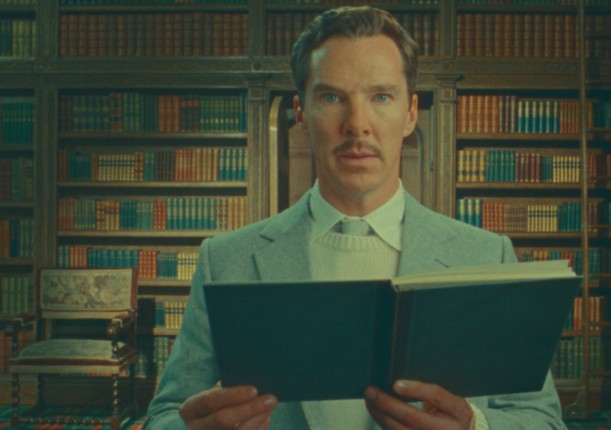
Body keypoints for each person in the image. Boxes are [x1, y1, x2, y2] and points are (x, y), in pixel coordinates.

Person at [144, 6, 567, 430]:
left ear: (410, 113)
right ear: (301, 113)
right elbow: (164, 416)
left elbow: (543, 421)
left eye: (381, 97)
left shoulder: (486, 256)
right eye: (332, 97)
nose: (357, 125)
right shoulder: (225, 260)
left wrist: (476, 427)